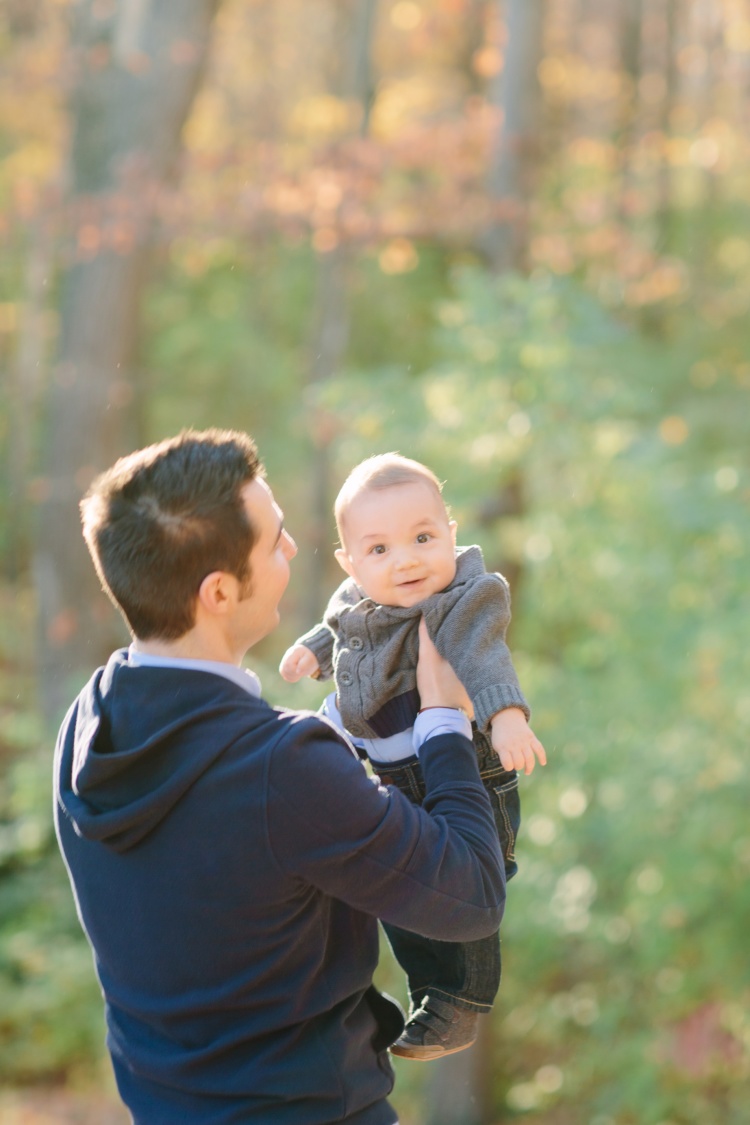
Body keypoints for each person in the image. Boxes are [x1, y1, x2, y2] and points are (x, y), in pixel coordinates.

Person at [53, 429, 507, 1125]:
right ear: (219, 592)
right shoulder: (283, 768)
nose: (293, 551)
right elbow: (472, 893)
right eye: (275, 541)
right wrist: (443, 720)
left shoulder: (89, 722)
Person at [280, 453, 546, 1060]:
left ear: (452, 533)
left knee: (473, 884)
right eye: (379, 549)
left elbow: (483, 659)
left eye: (423, 537)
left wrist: (506, 718)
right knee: (399, 887)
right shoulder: (359, 595)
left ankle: (465, 1000)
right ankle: (429, 994)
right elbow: (346, 624)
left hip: (468, 767)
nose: (405, 560)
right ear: (350, 562)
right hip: (391, 765)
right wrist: (313, 649)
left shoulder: (463, 597)